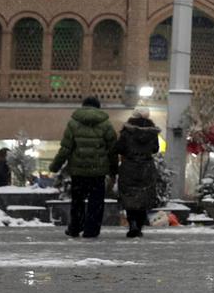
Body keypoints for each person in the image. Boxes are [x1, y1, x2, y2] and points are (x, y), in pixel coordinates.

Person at [50, 97, 119, 238]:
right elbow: (112, 150)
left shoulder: (73, 124)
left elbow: (66, 148)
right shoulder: (106, 125)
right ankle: (91, 230)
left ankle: (75, 227)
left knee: (78, 201)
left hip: (78, 171)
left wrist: (55, 166)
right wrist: (114, 170)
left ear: (83, 107)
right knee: (96, 202)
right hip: (98, 172)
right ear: (98, 108)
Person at [114, 108, 161, 238]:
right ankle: (139, 225)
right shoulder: (152, 133)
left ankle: (132, 223)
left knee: (130, 196)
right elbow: (155, 149)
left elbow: (119, 148)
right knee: (144, 196)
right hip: (146, 167)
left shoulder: (127, 131)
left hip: (129, 166)